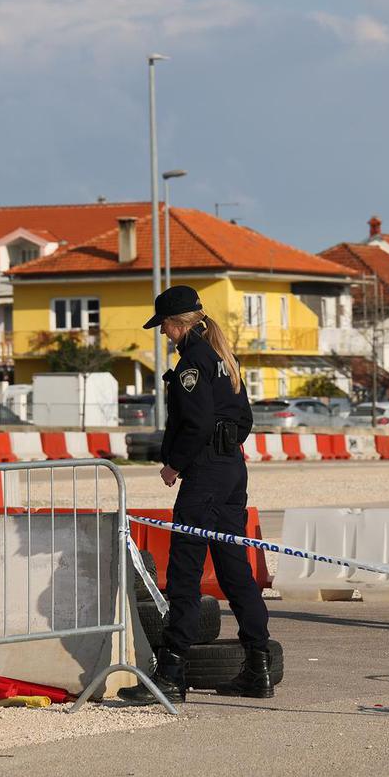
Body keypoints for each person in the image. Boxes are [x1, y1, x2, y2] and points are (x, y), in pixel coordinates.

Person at [118, 285, 274, 703]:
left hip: (204, 474)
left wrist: (177, 463)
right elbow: (244, 420)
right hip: (231, 473)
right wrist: (222, 453)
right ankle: (257, 668)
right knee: (234, 570)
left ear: (175, 323)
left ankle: (170, 672)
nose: (164, 335)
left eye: (165, 327)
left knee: (185, 572)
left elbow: (198, 422)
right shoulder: (225, 358)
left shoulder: (193, 362)